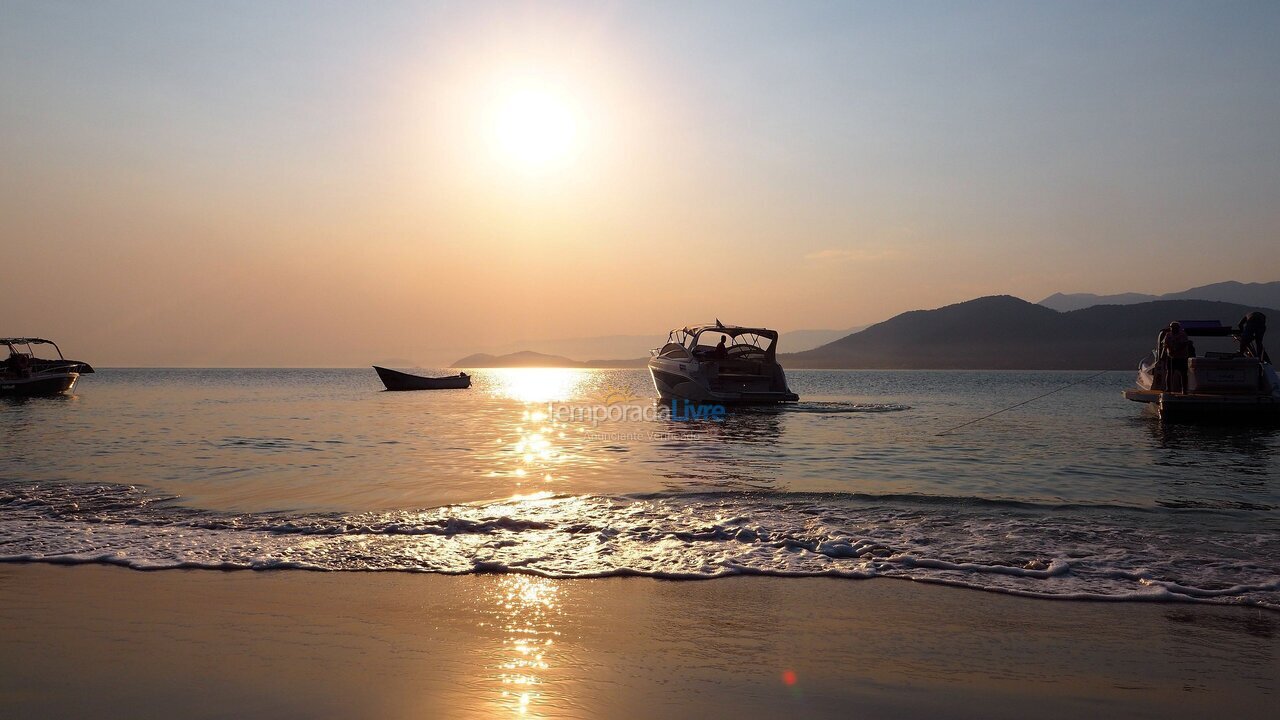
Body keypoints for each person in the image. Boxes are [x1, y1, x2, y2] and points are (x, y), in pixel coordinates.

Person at [1162, 321, 1191, 393]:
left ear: (1178, 328)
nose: (1173, 329)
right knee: (1169, 373)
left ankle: (1184, 390)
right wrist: (1165, 354)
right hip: (1171, 357)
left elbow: (1184, 344)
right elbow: (1165, 345)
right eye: (1172, 328)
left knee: (1183, 373)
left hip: (1181, 357)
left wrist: (1176, 350)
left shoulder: (1183, 335)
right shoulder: (1168, 335)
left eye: (1175, 328)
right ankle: (1168, 388)